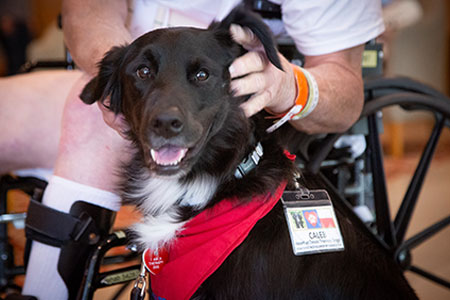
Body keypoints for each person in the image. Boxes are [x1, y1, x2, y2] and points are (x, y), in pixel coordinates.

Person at [0, 0, 384, 299]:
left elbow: (346, 89)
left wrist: (288, 87)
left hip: (233, 107)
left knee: (86, 121)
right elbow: (87, 11)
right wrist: (124, 76)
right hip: (120, 73)